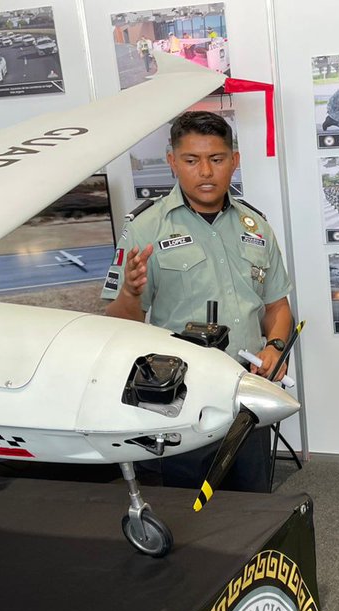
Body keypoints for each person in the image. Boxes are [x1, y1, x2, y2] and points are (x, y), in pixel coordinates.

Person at [102, 111, 293, 491]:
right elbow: (118, 325)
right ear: (173, 162)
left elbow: (276, 306)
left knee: (252, 506)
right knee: (186, 513)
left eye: (216, 159)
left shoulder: (256, 226)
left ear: (234, 162)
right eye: (191, 160)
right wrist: (130, 292)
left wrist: (275, 347)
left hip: (245, 394)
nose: (205, 171)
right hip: (180, 403)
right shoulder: (145, 228)